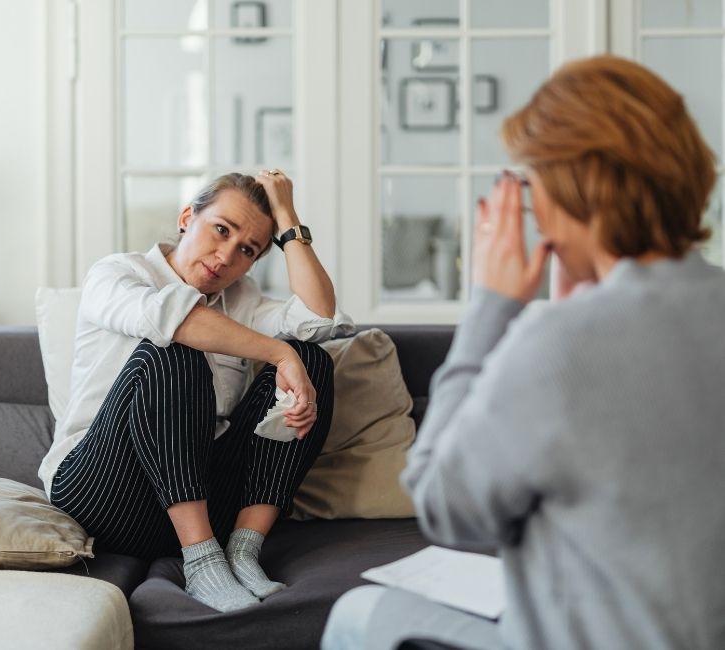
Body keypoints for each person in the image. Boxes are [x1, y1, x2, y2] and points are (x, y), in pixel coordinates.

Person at [322, 55, 725, 649]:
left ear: (575, 186)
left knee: (358, 616)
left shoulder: (561, 343)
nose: (539, 221)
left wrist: (490, 308)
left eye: (534, 189)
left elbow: (443, 505)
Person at [38, 170, 352, 612]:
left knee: (312, 358)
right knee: (175, 347)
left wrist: (287, 217)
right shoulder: (118, 273)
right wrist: (279, 354)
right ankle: (203, 562)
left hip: (202, 498)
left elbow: (319, 317)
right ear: (187, 217)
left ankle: (241, 552)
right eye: (221, 229)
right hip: (103, 491)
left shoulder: (240, 299)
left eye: (247, 250)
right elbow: (176, 320)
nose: (226, 256)